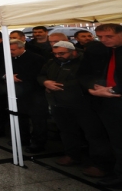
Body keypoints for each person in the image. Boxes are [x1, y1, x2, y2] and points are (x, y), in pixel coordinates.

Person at [39, 41, 113, 178]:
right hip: (59, 103)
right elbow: (41, 75)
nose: (58, 56)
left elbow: (86, 79)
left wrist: (60, 86)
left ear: (73, 51)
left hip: (83, 105)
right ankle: (72, 155)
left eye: (62, 53)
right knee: (67, 131)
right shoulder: (51, 62)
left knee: (94, 135)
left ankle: (100, 165)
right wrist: (45, 82)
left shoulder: (84, 62)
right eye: (55, 54)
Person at [79, 24, 122, 187]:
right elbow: (86, 73)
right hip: (106, 102)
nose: (103, 40)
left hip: (115, 98)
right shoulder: (103, 50)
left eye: (108, 36)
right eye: (100, 37)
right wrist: (94, 87)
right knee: (116, 141)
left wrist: (113, 90)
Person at [9, 39, 47, 153]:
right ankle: (22, 138)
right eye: (9, 49)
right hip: (18, 93)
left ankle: (37, 143)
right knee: (21, 116)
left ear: (22, 48)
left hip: (34, 93)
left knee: (37, 120)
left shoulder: (36, 58)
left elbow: (36, 74)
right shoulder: (9, 57)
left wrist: (17, 77)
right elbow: (2, 70)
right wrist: (7, 76)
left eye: (13, 49)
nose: (11, 52)